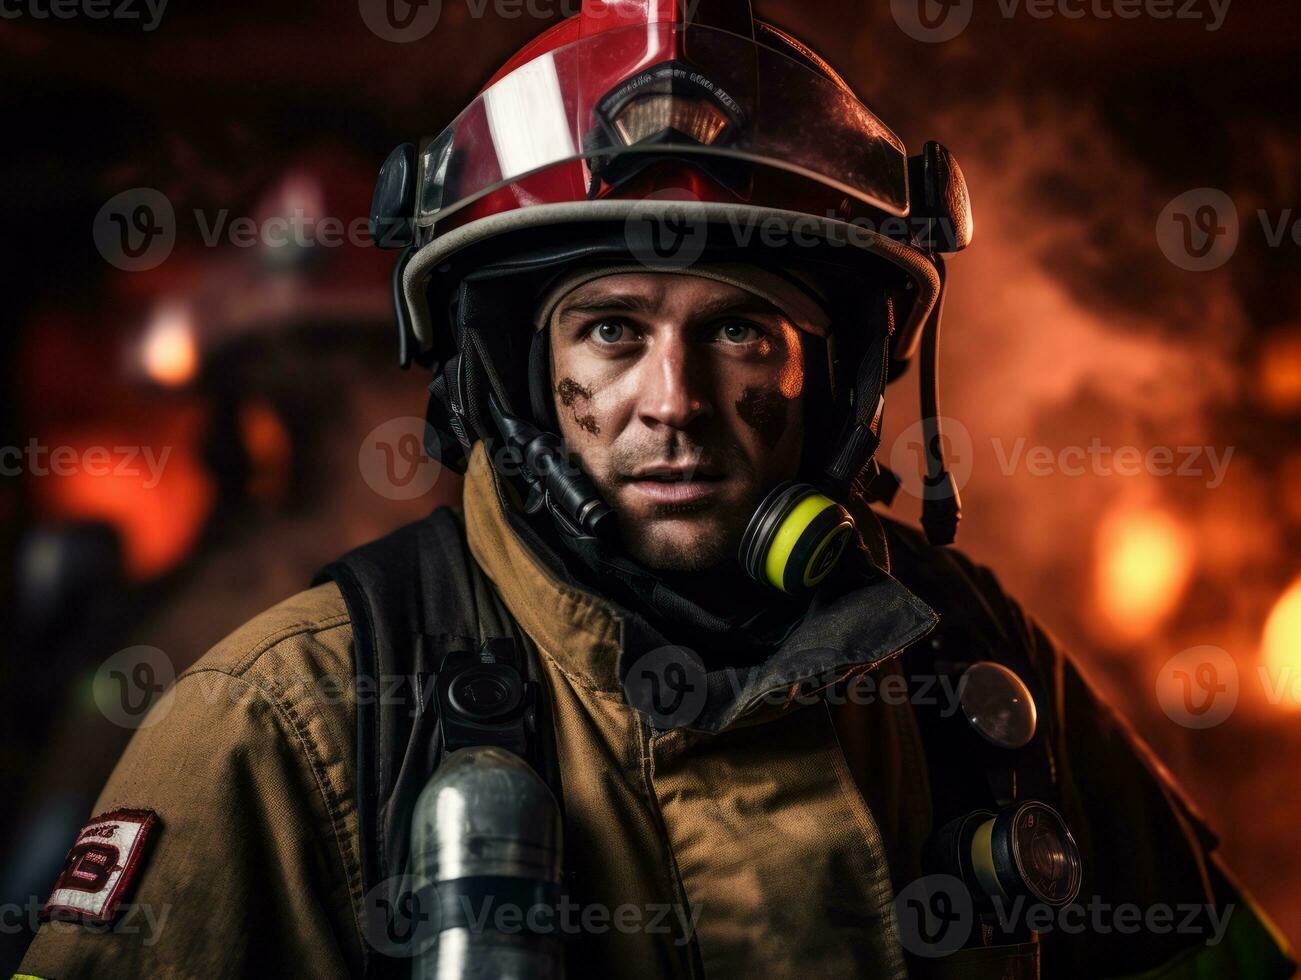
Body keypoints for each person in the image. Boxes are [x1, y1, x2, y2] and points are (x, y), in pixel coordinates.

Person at [18, 1, 1297, 978]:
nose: (673, 400)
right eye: (613, 331)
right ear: (515, 377)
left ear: (835, 384)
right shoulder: (290, 715)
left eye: (741, 330)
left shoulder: (969, 656)